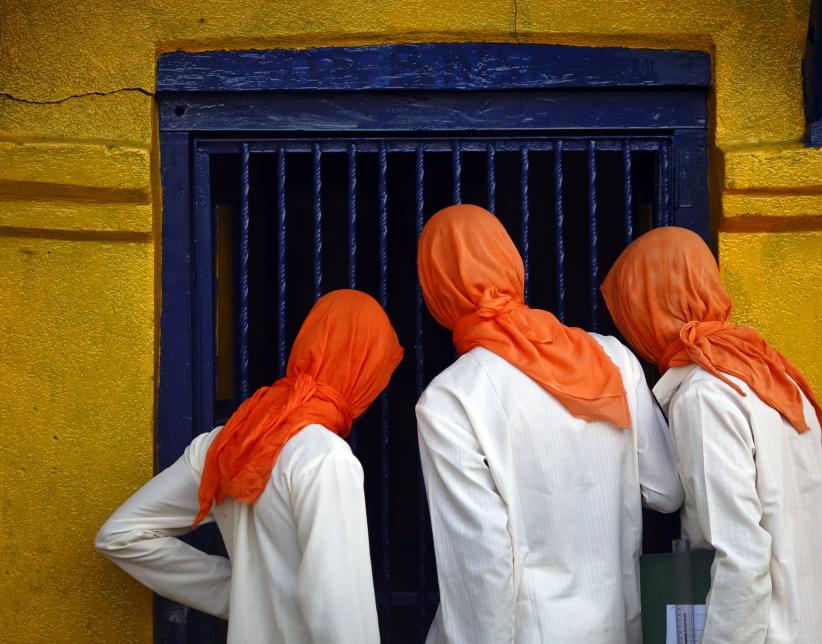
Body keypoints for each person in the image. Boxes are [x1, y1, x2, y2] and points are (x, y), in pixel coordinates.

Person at [415, 204, 683, 643]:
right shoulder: (612, 357)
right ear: (513, 265)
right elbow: (667, 492)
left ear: (435, 292)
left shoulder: (451, 399)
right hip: (622, 629)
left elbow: (481, 565)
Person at [96, 289, 403, 644]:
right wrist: (248, 591)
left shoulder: (226, 442)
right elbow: (343, 617)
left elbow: (121, 535)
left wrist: (244, 593)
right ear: (364, 370)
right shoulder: (326, 458)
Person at [601, 226, 822, 644]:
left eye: (629, 311)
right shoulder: (772, 374)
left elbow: (741, 558)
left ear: (647, 309)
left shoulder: (704, 396)